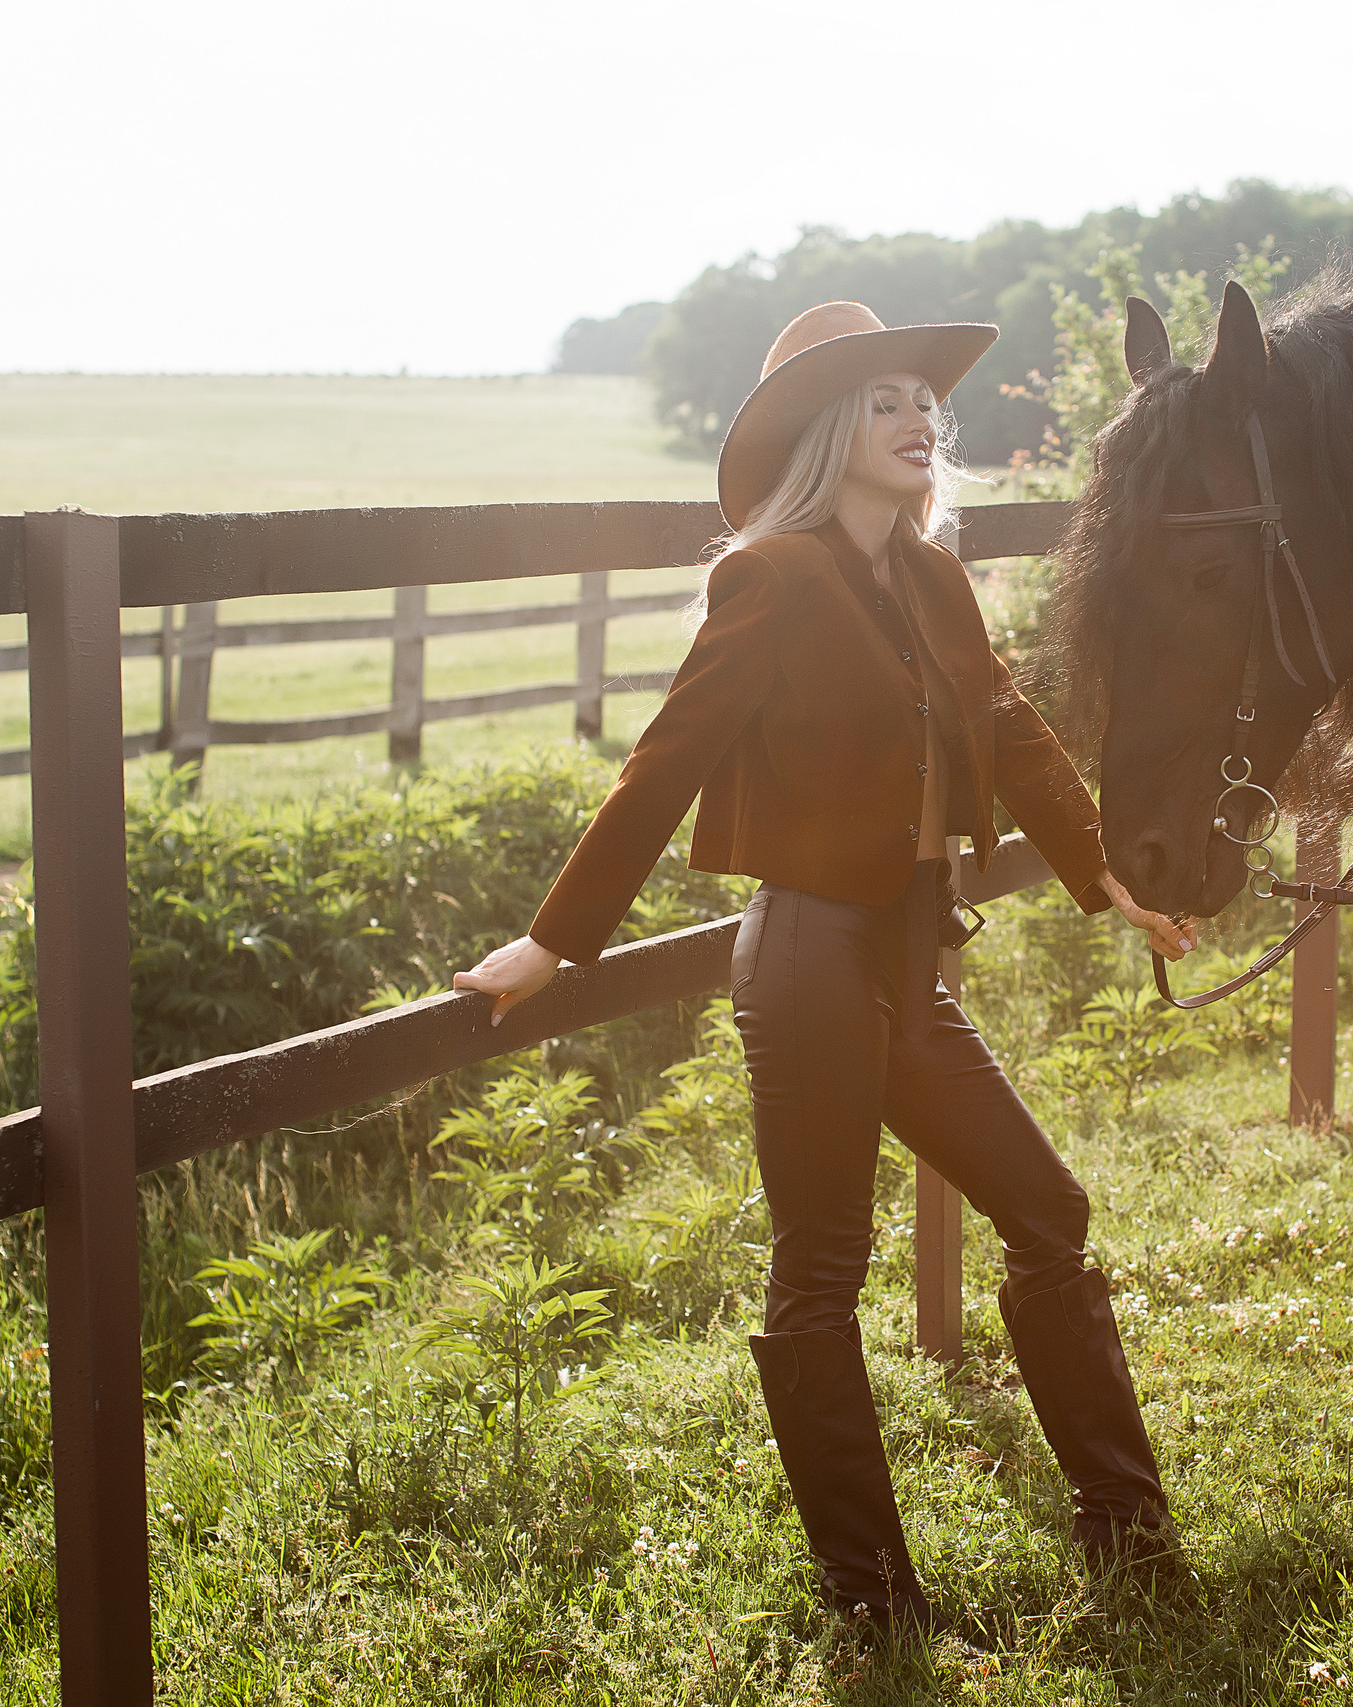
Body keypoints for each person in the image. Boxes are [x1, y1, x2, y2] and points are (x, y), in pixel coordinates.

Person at [454, 302, 1198, 1635]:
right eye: (885, 403)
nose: (921, 420)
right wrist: (554, 943)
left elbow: (1013, 733)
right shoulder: (774, 577)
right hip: (805, 959)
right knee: (820, 1275)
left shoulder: (933, 579)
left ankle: (1129, 1533)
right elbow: (667, 759)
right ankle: (872, 1596)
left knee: (1049, 1213)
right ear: (826, 436)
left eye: (928, 401)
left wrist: (1111, 876)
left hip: (909, 961)